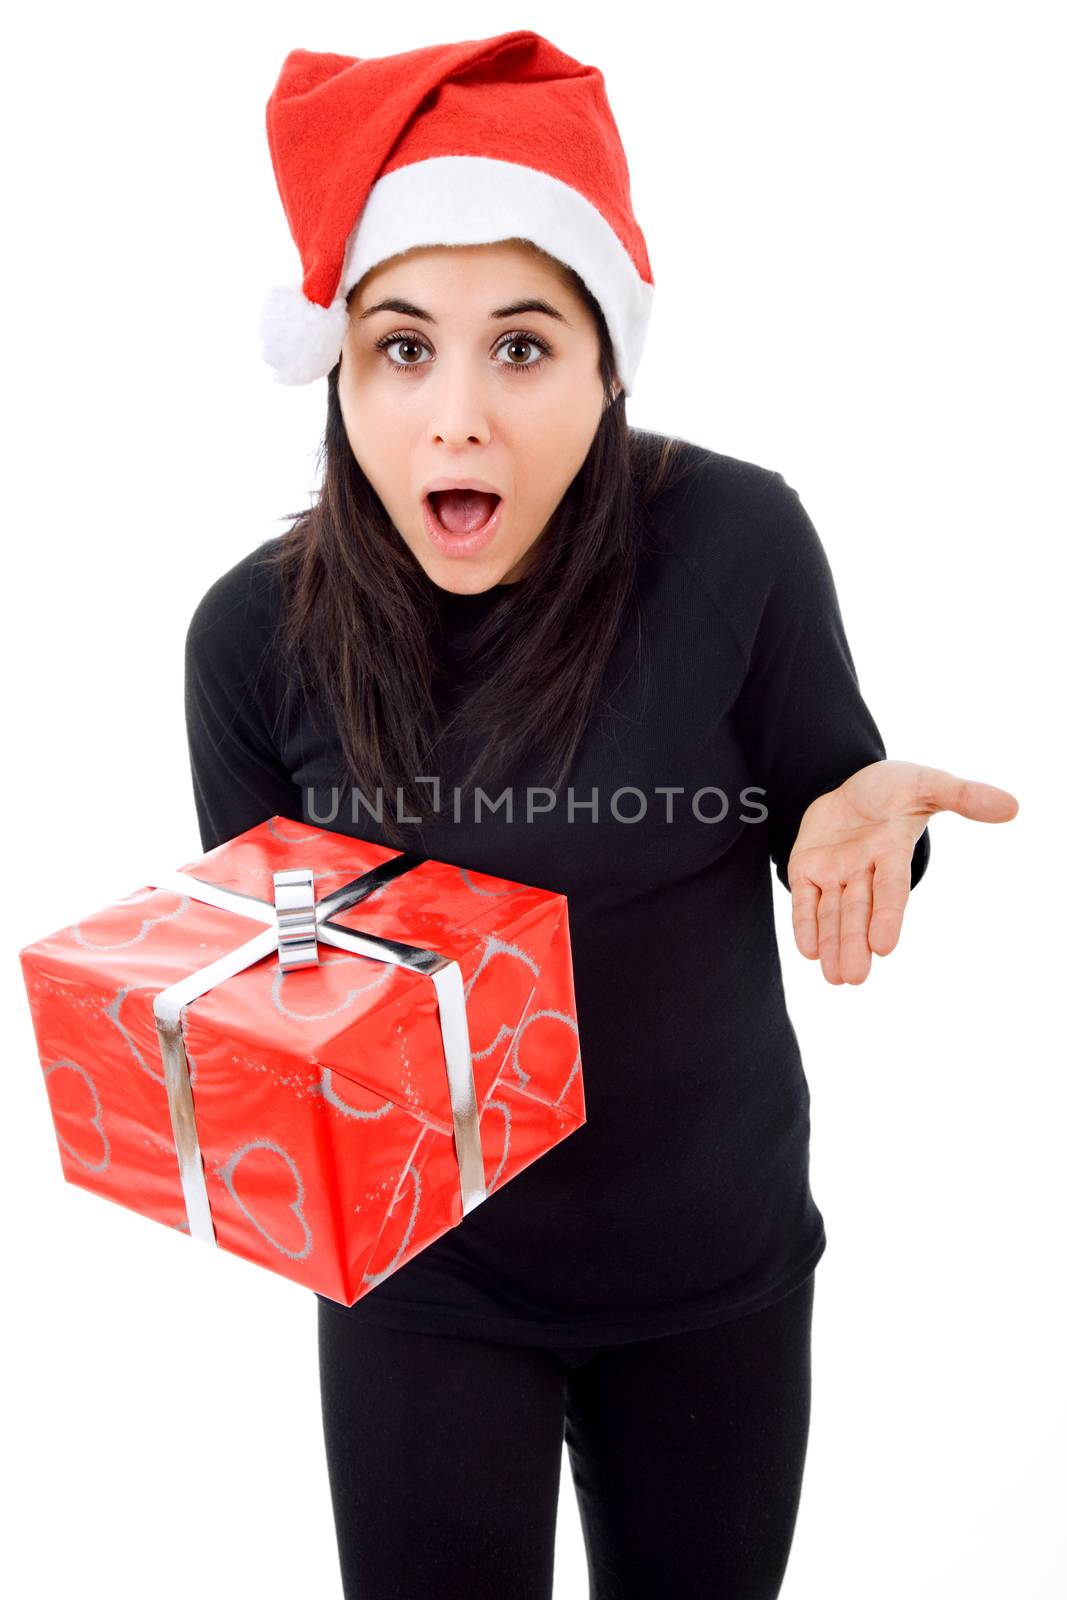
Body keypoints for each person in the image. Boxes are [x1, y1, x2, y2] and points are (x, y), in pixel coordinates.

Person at [184, 31, 1018, 1599]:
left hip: (715, 1271)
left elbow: (837, 826)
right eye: (401, 347)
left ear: (606, 361)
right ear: (340, 370)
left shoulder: (738, 540)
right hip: (427, 1285)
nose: (457, 418)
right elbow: (274, 1002)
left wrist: (868, 831)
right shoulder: (250, 639)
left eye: (520, 346)